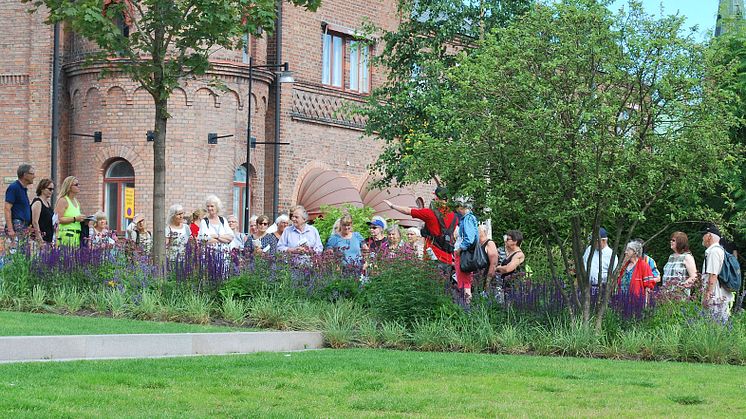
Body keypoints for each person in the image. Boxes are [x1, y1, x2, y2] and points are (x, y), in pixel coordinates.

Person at [384, 186, 458, 276]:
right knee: (445, 287)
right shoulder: (455, 217)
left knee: (431, 286)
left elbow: (408, 211)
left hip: (432, 256)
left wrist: (392, 206)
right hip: (448, 257)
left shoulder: (429, 213)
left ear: (437, 198)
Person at [700, 224, 734, 323]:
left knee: (714, 326)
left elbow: (713, 275)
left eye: (704, 235)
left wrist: (707, 296)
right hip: (722, 295)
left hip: (716, 297)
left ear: (709, 236)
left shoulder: (713, 252)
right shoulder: (720, 250)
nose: (702, 238)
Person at [452, 196, 479, 306]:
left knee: (464, 283)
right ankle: (466, 307)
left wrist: (460, 249)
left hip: (463, 254)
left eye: (458, 206)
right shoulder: (470, 218)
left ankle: (466, 309)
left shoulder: (467, 219)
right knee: (464, 282)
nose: (457, 209)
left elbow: (469, 238)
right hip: (465, 254)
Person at [661, 231, 697, 299]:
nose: (671, 242)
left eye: (673, 240)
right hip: (666, 295)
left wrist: (681, 288)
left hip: (679, 296)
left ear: (680, 242)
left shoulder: (687, 256)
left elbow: (694, 276)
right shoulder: (671, 257)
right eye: (671, 240)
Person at [4, 164, 35, 241]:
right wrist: (10, 229)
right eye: (32, 174)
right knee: (17, 251)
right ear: (25, 175)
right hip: (17, 224)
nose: (34, 176)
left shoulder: (23, 189)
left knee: (23, 251)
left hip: (23, 225)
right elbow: (7, 208)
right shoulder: (14, 187)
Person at [55, 176, 84, 247]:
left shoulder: (76, 201)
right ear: (69, 187)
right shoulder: (63, 200)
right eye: (76, 185)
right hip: (66, 234)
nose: (78, 186)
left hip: (77, 234)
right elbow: (59, 219)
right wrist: (75, 219)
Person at [31, 178, 55, 244]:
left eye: (53, 189)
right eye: (50, 189)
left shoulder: (47, 203)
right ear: (42, 189)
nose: (51, 191)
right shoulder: (38, 202)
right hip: (39, 240)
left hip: (48, 239)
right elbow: (35, 222)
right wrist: (40, 239)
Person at [477, 224, 499, 293]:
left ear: (483, 232)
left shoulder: (489, 243)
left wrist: (488, 280)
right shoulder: (478, 245)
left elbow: (494, 263)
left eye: (477, 231)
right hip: (477, 279)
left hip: (486, 278)